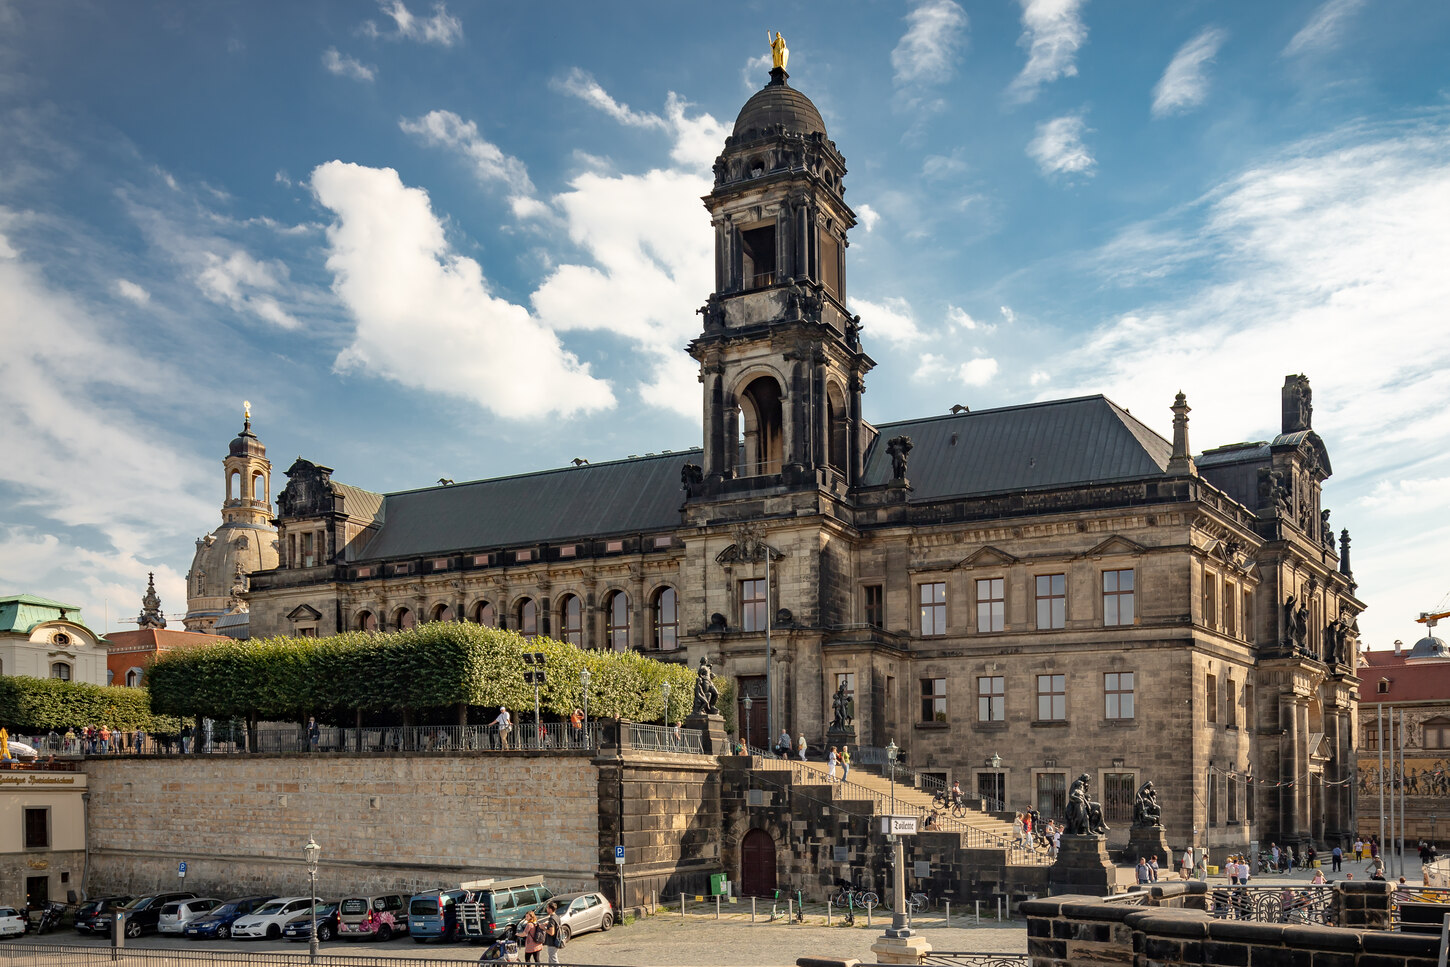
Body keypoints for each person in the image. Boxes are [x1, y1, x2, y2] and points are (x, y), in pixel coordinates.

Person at [541, 900, 564, 966]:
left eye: (547, 908)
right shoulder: (556, 917)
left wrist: (543, 928)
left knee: (554, 960)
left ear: (550, 909)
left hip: (552, 942)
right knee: (550, 960)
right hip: (556, 941)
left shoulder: (551, 919)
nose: (546, 909)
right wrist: (547, 924)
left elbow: (551, 932)